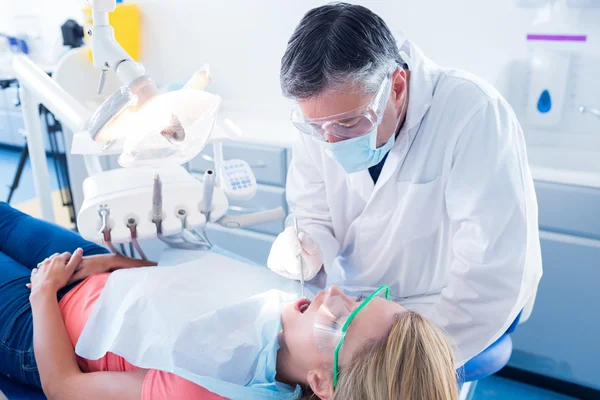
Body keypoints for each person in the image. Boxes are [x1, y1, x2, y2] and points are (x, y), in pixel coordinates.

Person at [267, 2, 543, 365]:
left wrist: (405, 363)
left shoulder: (473, 113)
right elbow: (314, 215)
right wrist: (308, 247)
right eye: (318, 128)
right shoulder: (321, 119)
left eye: (348, 124)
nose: (330, 141)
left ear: (396, 87)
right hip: (357, 311)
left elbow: (492, 271)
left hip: (441, 308)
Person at [0, 202, 458, 400]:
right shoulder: (286, 320)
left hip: (43, 323)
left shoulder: (208, 389)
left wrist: (43, 293)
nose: (331, 293)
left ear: (322, 383)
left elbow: (63, 388)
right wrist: (114, 263)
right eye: (357, 298)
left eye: (340, 319)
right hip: (95, 272)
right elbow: (180, 293)